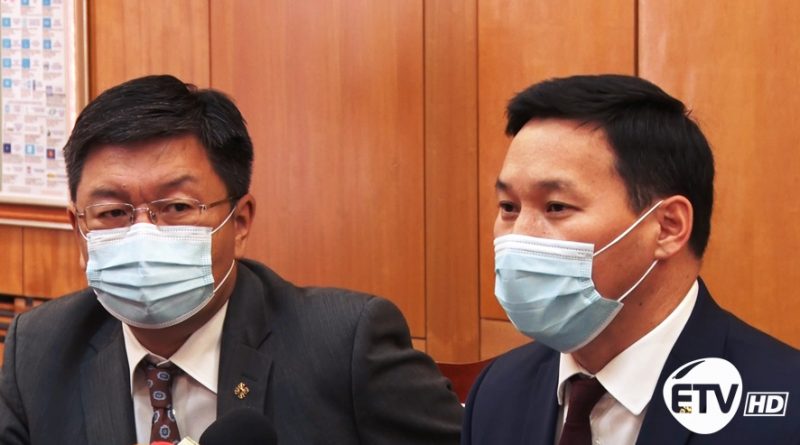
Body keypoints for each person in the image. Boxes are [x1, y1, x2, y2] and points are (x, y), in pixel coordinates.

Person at [0, 74, 463, 444]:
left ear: (239, 221)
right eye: (113, 213)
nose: (143, 232)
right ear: (78, 228)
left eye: (176, 207)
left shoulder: (345, 345)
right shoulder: (38, 350)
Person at [462, 75, 800, 444]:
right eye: (508, 207)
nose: (519, 235)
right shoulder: (498, 391)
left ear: (668, 227)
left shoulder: (786, 406)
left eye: (556, 207)